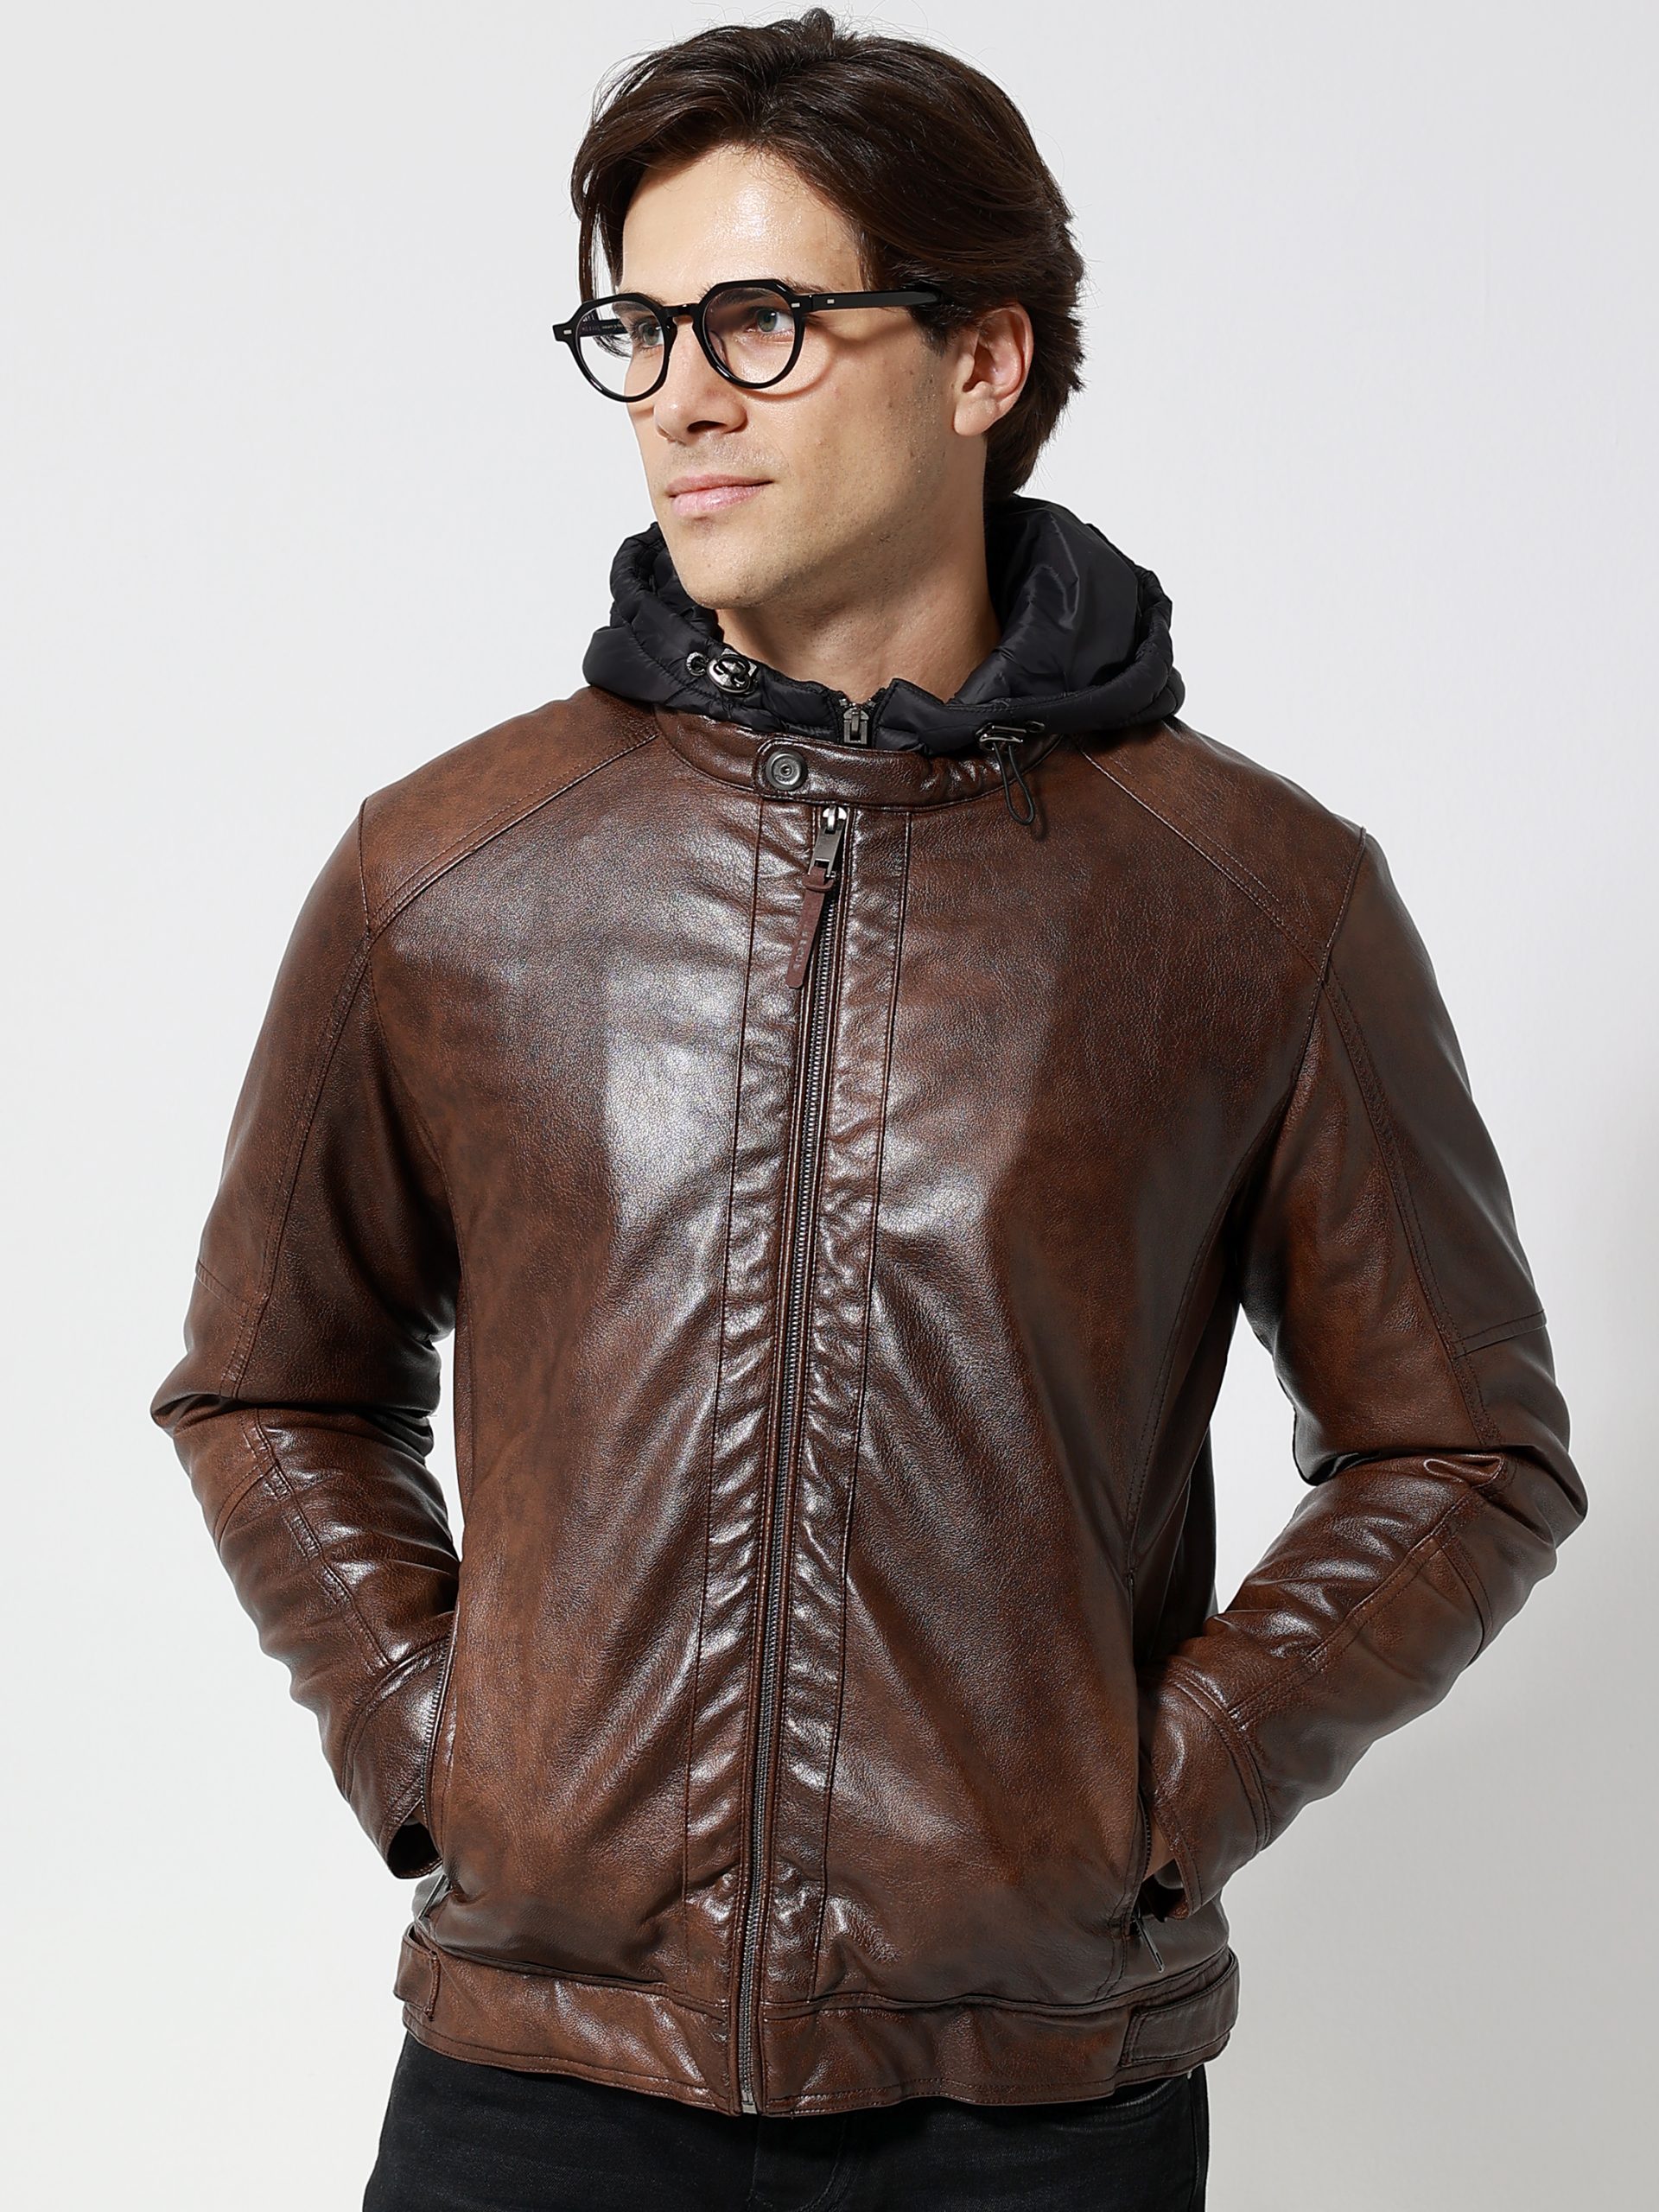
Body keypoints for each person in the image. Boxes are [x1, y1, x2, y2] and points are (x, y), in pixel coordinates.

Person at [149, 10, 1586, 2209]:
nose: (681, 395)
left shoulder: (1253, 901)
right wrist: (445, 1747)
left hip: (1028, 2112)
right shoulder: (450, 871)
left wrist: (1152, 1795)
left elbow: (1466, 1447)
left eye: (762, 320)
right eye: (638, 329)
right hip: (538, 2079)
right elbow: (268, 1382)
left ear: (983, 357)